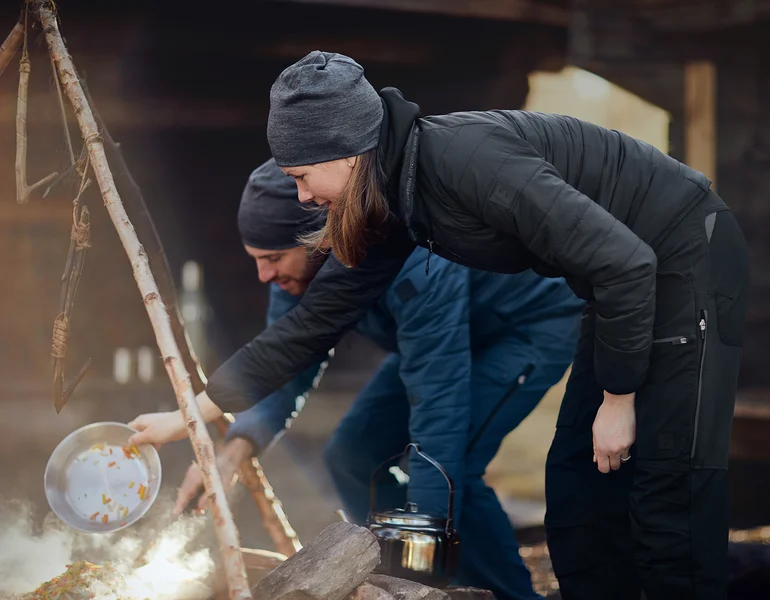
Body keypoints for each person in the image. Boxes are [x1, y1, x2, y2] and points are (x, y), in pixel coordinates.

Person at [186, 51, 749, 599]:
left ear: (347, 153)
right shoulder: (393, 201)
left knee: (667, 497)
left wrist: (618, 397)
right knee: (578, 493)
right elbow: (311, 327)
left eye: (303, 177)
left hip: (676, 260)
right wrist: (197, 413)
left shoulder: (462, 161)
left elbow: (624, 262)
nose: (303, 195)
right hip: (615, 288)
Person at [129, 157, 585, 600]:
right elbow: (286, 366)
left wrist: (428, 559)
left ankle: (499, 594)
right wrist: (231, 453)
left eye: (273, 258)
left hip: (521, 324)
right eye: (256, 260)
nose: (264, 275)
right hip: (438, 338)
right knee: (352, 454)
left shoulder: (417, 263)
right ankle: (393, 579)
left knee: (451, 466)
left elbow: (438, 409)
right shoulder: (292, 279)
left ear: (318, 240)